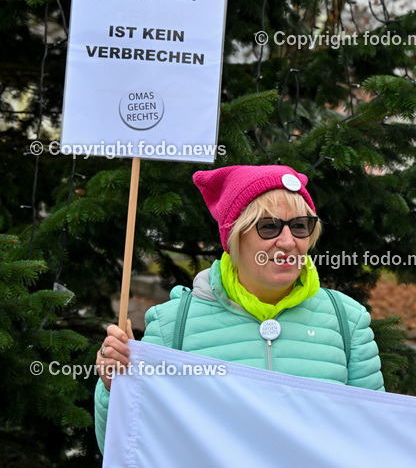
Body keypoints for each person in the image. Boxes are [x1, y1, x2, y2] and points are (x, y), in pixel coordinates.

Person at [93, 165, 384, 453]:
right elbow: (130, 448)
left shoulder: (347, 321)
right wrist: (115, 387)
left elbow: (375, 438)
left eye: (299, 226)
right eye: (268, 226)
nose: (288, 242)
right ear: (234, 237)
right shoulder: (172, 326)